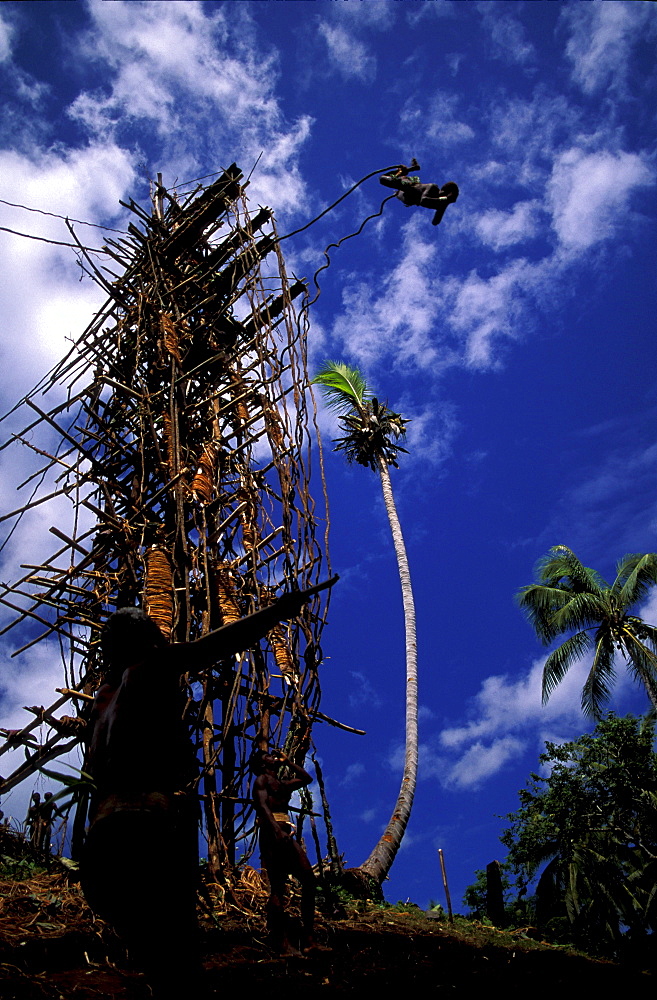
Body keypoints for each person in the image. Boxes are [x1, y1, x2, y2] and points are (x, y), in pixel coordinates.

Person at [81, 575, 337, 988]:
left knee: (143, 944)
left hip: (104, 832)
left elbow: (97, 772)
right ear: (147, 638)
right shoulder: (154, 665)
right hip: (151, 819)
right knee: (175, 952)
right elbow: (217, 643)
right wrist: (276, 611)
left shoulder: (103, 703)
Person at [251, 747, 320, 955]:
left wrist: (288, 762)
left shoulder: (281, 783)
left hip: (285, 832)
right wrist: (275, 831)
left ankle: (308, 940)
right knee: (278, 886)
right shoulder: (261, 781)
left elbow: (306, 779)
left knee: (308, 879)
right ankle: (281, 942)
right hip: (272, 834)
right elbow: (262, 806)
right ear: (263, 764)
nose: (274, 757)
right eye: (269, 757)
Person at [380, 164, 459, 225]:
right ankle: (404, 171)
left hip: (408, 198)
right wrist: (445, 199)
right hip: (409, 188)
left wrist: (444, 205)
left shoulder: (441, 204)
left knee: (389, 182)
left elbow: (435, 222)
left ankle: (409, 170)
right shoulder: (432, 187)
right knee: (383, 179)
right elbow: (424, 200)